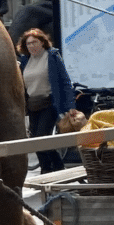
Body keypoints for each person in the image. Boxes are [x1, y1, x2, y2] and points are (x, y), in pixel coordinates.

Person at [17, 28, 78, 174]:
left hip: (49, 103)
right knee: (35, 141)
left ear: (43, 43)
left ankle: (51, 168)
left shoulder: (51, 56)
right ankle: (51, 167)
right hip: (33, 106)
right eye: (29, 43)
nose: (32, 46)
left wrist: (70, 106)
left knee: (41, 138)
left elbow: (65, 82)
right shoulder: (25, 61)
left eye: (35, 42)